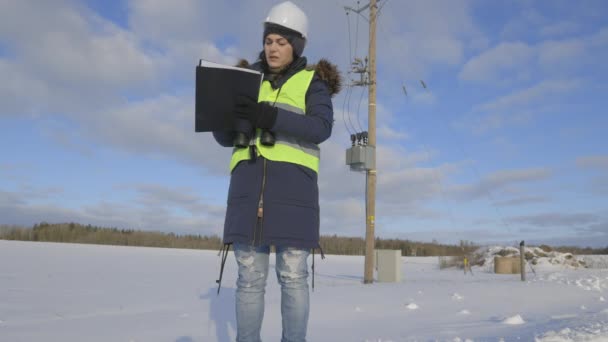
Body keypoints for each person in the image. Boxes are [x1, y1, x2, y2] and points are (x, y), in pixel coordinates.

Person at [212, 2, 341, 341]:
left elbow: (320, 128)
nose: (273, 48)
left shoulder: (314, 83)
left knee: (293, 276)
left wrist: (268, 116)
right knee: (249, 278)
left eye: (282, 42)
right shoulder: (244, 79)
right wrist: (221, 120)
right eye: (269, 40)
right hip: (246, 190)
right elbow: (227, 138)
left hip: (293, 194)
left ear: (296, 45)